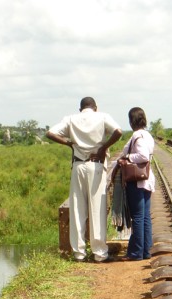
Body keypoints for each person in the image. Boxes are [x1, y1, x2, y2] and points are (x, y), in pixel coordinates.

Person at [47, 97, 122, 262]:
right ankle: (99, 253)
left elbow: (50, 133)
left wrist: (69, 144)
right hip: (96, 166)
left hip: (78, 166)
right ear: (95, 107)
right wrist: (104, 147)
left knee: (77, 209)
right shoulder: (102, 117)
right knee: (97, 209)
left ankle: (79, 253)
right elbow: (118, 131)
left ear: (80, 108)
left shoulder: (71, 119)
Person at [116, 107, 155, 260]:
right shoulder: (147, 135)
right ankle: (145, 251)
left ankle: (135, 252)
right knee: (144, 217)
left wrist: (127, 158)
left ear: (131, 121)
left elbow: (143, 156)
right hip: (146, 180)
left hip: (137, 181)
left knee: (138, 217)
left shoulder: (137, 136)